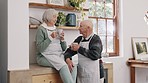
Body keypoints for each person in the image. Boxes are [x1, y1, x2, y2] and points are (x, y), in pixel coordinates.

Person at [35, 9, 77, 83]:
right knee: (64, 66)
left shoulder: (56, 29)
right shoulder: (41, 29)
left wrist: (62, 40)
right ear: (48, 17)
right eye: (54, 17)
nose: (56, 19)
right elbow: (39, 48)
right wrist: (50, 38)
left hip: (58, 55)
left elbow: (64, 48)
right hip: (44, 56)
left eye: (56, 17)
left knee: (73, 65)